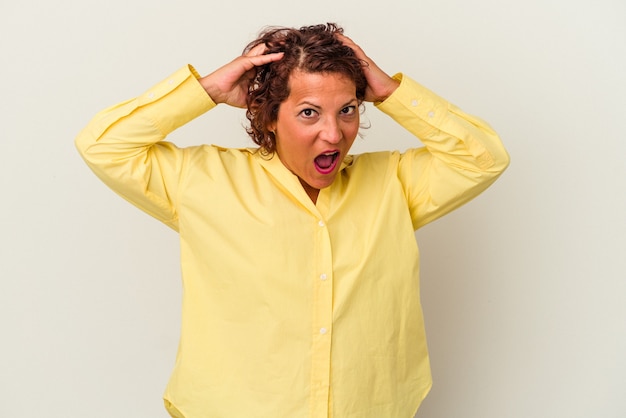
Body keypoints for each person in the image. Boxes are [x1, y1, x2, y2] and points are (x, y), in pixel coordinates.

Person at [76, 23, 509, 418]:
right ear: (269, 116)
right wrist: (207, 89)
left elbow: (484, 159)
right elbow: (103, 146)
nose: (334, 133)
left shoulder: (393, 182)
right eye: (309, 112)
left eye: (348, 109)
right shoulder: (203, 181)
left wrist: (391, 92)